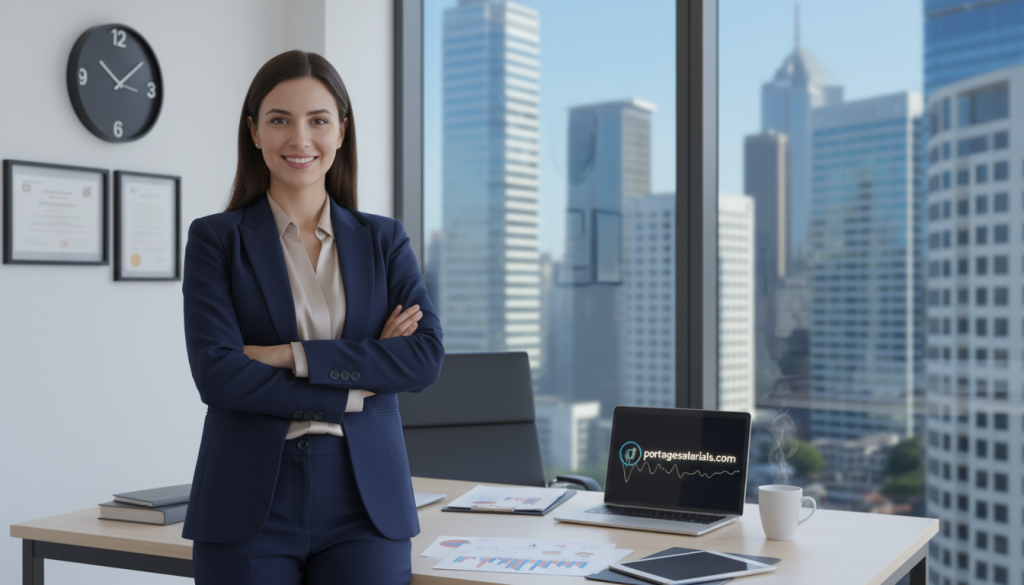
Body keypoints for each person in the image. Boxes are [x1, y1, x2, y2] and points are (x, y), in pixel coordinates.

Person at [180, 50, 443, 585]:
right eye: (279, 120)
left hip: (366, 499)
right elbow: (218, 374)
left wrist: (288, 354)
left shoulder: (384, 239)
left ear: (341, 132)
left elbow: (422, 358)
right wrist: (357, 381)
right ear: (254, 131)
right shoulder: (215, 240)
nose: (300, 139)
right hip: (248, 495)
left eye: (318, 121)